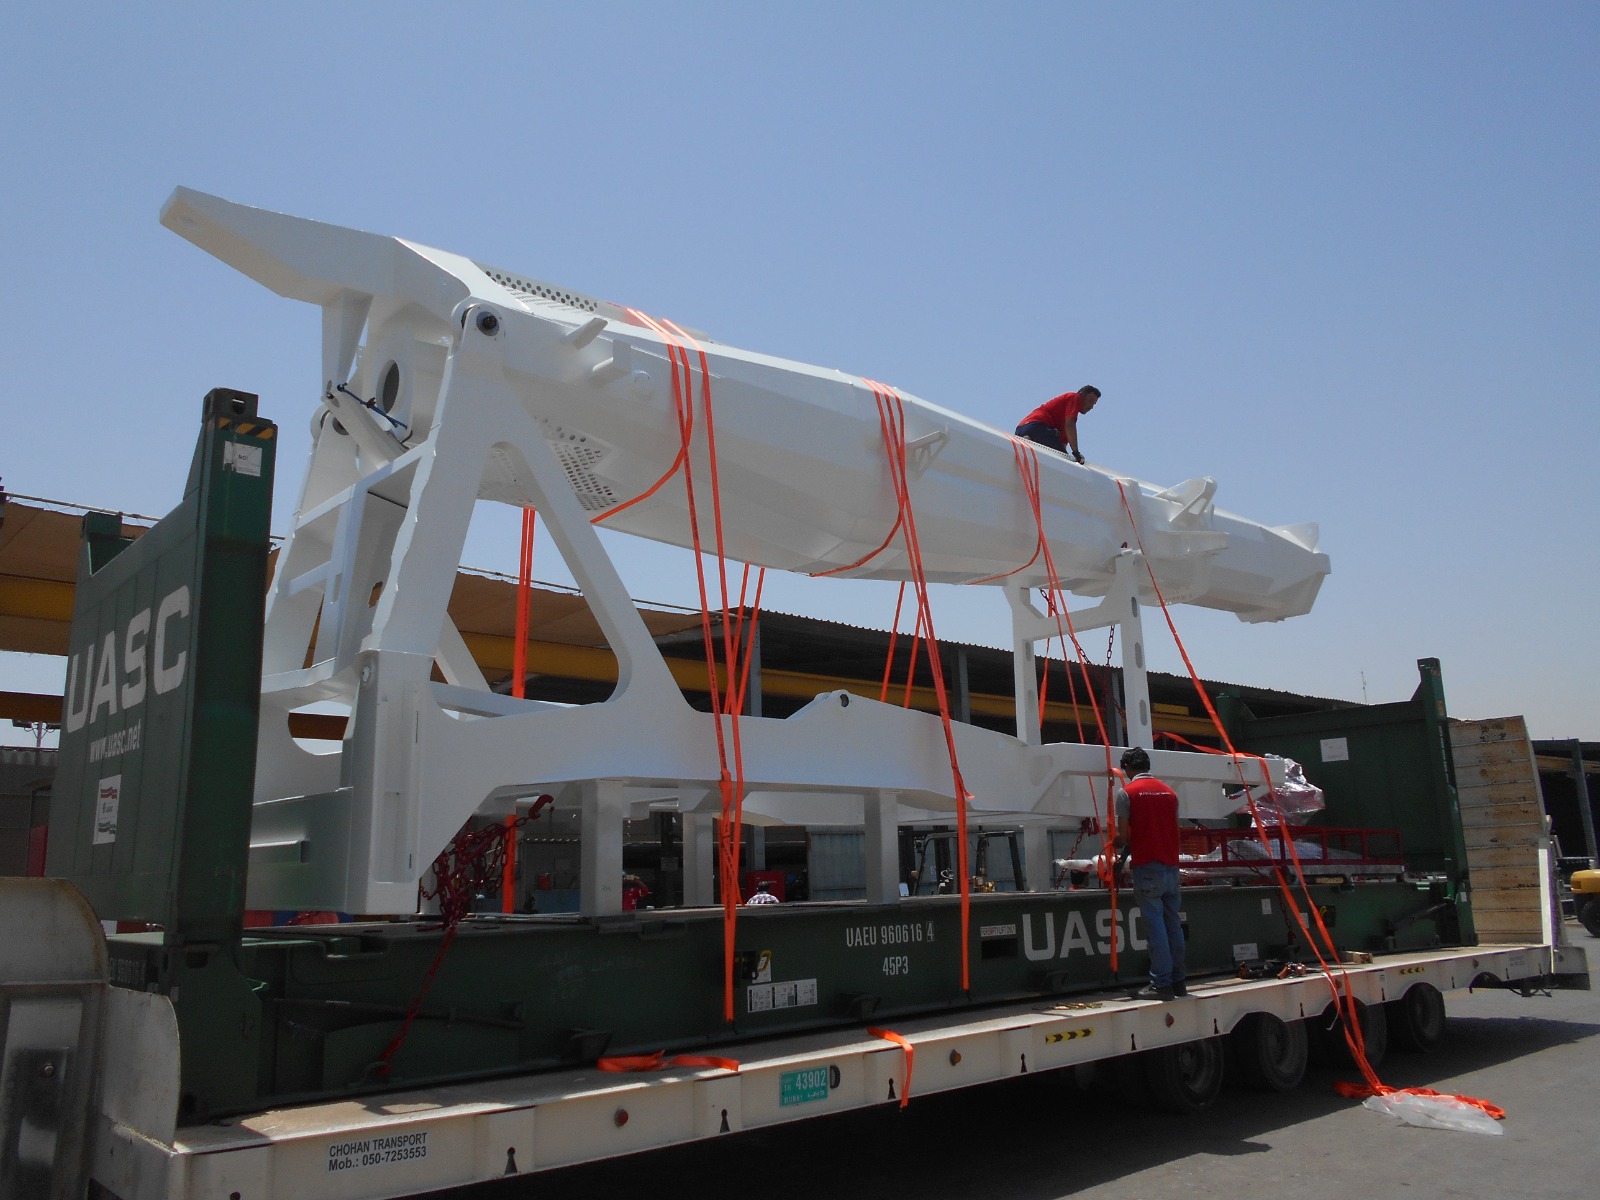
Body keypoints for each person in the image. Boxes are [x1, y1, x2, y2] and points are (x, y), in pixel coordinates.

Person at [1114, 746, 1187, 1000]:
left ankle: (1161, 984)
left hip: (1147, 867)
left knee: (1155, 927)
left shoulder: (1126, 793)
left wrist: (1112, 842)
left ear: (1127, 768)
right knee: (1173, 924)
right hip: (1171, 866)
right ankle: (1178, 982)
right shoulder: (1169, 793)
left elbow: (1123, 836)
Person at [1015, 386, 1100, 464]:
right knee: (1064, 462)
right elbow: (1070, 424)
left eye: (1093, 404)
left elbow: (1062, 445)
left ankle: (1030, 440)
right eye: (1090, 401)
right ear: (1081, 395)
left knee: (1061, 455)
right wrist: (1076, 453)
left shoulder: (1065, 425)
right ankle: (1031, 440)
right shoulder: (1074, 397)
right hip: (1036, 428)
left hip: (1021, 429)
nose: (1091, 407)